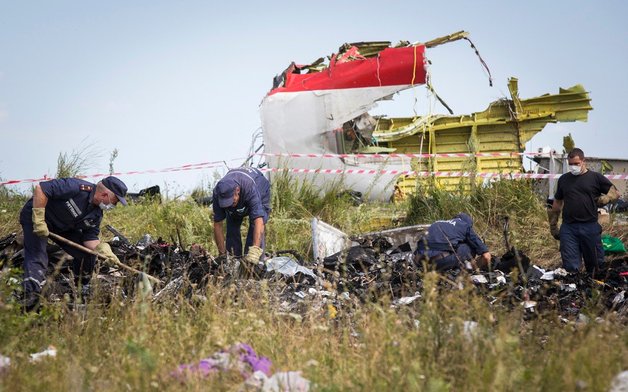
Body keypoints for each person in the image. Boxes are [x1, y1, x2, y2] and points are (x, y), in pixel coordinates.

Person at [18, 176, 128, 311]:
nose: (113, 206)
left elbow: (90, 239)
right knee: (38, 255)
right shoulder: (76, 187)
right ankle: (29, 296)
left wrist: (102, 249)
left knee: (87, 254)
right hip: (36, 218)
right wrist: (39, 220)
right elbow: (41, 189)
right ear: (105, 194)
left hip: (62, 228)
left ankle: (81, 289)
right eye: (114, 202)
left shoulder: (97, 214)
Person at [547, 148, 619, 274]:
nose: (573, 167)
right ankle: (574, 289)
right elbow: (557, 202)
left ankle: (595, 289)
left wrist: (605, 198)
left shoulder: (595, 178)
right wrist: (553, 225)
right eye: (571, 164)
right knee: (571, 268)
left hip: (590, 227)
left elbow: (615, 193)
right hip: (569, 229)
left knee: (596, 267)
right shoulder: (564, 179)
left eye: (576, 164)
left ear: (583, 161)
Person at [212, 167, 271, 268]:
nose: (229, 205)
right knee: (231, 223)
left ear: (237, 191)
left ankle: (255, 264)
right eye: (225, 203)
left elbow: (258, 221)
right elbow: (218, 224)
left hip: (260, 187)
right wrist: (222, 255)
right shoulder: (218, 192)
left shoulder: (249, 187)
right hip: (241, 190)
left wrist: (255, 251)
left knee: (254, 226)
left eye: (231, 201)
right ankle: (234, 261)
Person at [414, 213, 491, 271]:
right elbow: (486, 256)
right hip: (439, 262)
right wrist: (476, 267)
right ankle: (467, 268)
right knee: (470, 247)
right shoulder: (465, 225)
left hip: (420, 260)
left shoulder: (436, 223)